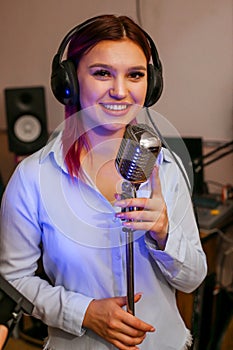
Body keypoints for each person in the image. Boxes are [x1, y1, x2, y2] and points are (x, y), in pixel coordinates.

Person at [0, 14, 207, 349]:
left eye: (135, 75)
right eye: (102, 73)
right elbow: (14, 279)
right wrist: (84, 312)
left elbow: (192, 279)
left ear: (150, 84)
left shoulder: (166, 168)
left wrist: (164, 231)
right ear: (69, 81)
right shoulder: (33, 178)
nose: (120, 91)